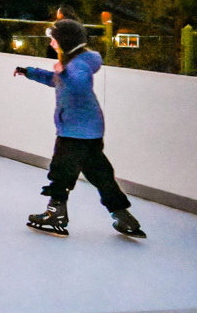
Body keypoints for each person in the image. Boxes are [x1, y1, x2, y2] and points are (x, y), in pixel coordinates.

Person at [13, 19, 145, 239]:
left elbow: (78, 81)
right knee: (100, 174)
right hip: (89, 130)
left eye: (54, 39)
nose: (52, 43)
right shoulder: (76, 62)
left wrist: (64, 70)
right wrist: (30, 72)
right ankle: (124, 217)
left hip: (75, 131)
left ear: (65, 41)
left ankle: (56, 215)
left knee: (62, 172)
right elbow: (57, 80)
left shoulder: (77, 66)